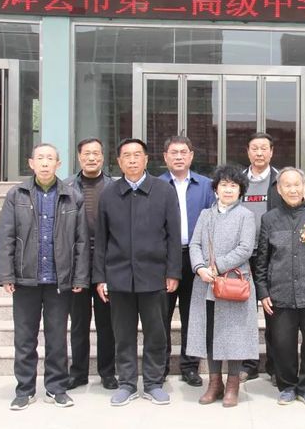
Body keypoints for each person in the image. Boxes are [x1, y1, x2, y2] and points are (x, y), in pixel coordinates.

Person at [0, 143, 89, 410]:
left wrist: (79, 278)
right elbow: (5, 237)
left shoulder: (72, 196)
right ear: (31, 163)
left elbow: (81, 242)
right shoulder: (16, 195)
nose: (45, 163)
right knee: (25, 338)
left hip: (59, 281)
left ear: (59, 164)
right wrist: (6, 274)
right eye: (40, 158)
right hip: (25, 279)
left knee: (57, 338)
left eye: (50, 158)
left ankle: (56, 388)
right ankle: (24, 389)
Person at [93, 138, 182, 407]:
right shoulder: (109, 193)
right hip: (118, 276)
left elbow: (173, 236)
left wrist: (173, 272)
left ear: (146, 159)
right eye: (126, 156)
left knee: (156, 333)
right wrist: (100, 277)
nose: (132, 160)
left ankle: (153, 383)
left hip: (154, 276)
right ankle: (127, 383)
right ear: (119, 162)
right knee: (123, 334)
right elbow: (101, 239)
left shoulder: (164, 191)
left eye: (137, 155)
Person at [255, 167, 305, 407]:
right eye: (287, 185)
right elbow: (262, 260)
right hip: (280, 293)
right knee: (282, 343)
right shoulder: (269, 219)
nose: (292, 189)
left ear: (304, 187)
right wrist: (263, 291)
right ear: (279, 190)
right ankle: (287, 386)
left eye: (297, 184)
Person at [186, 164, 258, 408]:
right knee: (210, 333)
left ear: (240, 190)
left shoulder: (246, 216)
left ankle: (232, 386)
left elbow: (245, 249)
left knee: (234, 335)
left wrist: (216, 267)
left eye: (233, 185)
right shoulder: (206, 215)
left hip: (233, 283)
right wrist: (200, 267)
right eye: (224, 185)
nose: (228, 189)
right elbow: (194, 244)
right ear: (216, 189)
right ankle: (214, 383)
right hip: (205, 283)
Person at [158, 136, 215, 387]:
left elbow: (213, 223)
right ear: (165, 157)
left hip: (196, 259)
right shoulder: (156, 185)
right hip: (164, 259)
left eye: (184, 152)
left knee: (194, 316)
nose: (179, 156)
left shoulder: (206, 186)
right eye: (174, 152)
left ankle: (190, 367)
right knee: (161, 315)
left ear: (191, 156)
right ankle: (159, 367)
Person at [65, 137, 118, 391]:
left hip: (105, 259)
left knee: (107, 322)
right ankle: (78, 373)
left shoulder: (114, 186)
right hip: (77, 260)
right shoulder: (66, 186)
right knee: (78, 321)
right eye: (87, 153)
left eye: (96, 153)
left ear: (103, 157)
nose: (91, 158)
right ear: (79, 157)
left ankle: (108, 372)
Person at [240, 132, 283, 383]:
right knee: (245, 312)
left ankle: (276, 366)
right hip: (244, 256)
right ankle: (248, 364)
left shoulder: (281, 180)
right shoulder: (237, 180)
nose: (259, 153)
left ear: (271, 152)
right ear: (248, 152)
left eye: (264, 148)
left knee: (273, 312)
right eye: (254, 148)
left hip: (272, 256)